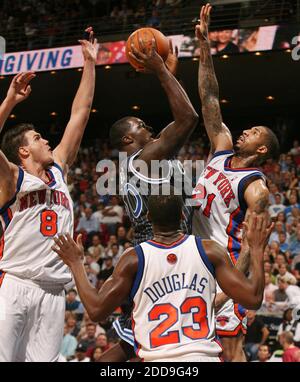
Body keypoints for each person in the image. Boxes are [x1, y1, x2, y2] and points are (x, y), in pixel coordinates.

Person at [52, 191, 273, 362]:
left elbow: (96, 310)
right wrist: (256, 249)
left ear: (148, 217)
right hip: (203, 356)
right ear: (181, 215)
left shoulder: (133, 259)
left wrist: (75, 263)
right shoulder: (209, 250)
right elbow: (253, 299)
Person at [0, 28, 97, 362]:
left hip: (54, 290)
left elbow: (80, 114)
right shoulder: (10, 178)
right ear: (23, 152)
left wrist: (90, 63)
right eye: (38, 137)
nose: (45, 141)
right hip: (15, 283)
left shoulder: (58, 169)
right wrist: (10, 99)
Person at [193, 4, 280, 362]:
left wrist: (227, 292)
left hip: (225, 268)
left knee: (230, 349)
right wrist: (204, 47)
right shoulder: (221, 148)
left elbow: (250, 248)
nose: (245, 130)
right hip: (194, 259)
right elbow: (209, 98)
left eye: (254, 132)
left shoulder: (256, 188)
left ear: (262, 149)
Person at [103, 39, 198, 360]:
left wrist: (167, 68)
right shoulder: (144, 158)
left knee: (139, 340)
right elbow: (187, 118)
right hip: (160, 253)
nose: (150, 126)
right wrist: (159, 69)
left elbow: (176, 110)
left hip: (152, 251)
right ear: (129, 139)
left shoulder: (135, 163)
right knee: (143, 342)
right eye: (141, 126)